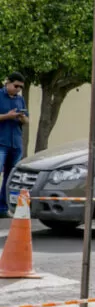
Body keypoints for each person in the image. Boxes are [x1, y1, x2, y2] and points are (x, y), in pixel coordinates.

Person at [0, 72, 28, 216]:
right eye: (16, 85)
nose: (18, 89)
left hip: (15, 143)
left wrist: (21, 117)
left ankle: (3, 208)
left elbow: (27, 121)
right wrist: (7, 116)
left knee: (10, 177)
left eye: (20, 87)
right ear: (8, 82)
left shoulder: (20, 99)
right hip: (1, 142)